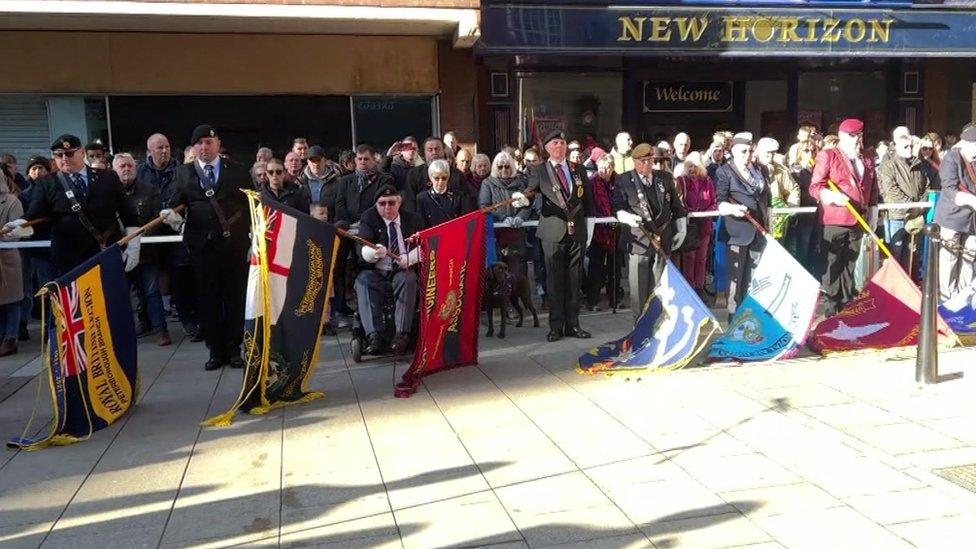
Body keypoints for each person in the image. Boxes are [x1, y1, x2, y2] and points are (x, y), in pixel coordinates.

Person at [160, 125, 250, 371]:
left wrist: (253, 240)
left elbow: (251, 206)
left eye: (209, 142)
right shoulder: (184, 173)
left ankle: (234, 349)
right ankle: (215, 350)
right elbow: (175, 202)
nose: (204, 147)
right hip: (202, 248)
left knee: (234, 298)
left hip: (234, 246)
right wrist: (169, 213)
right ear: (193, 147)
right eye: (199, 143)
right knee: (208, 300)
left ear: (218, 144)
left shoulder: (238, 171)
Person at [5, 134, 140, 276]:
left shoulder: (108, 177)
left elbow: (128, 213)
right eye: (59, 155)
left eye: (69, 154)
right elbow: (34, 213)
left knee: (110, 297)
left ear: (81, 153)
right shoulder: (47, 183)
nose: (64, 158)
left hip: (105, 253)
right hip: (69, 260)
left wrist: (133, 246)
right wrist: (19, 224)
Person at [514, 130, 594, 342]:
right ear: (548, 148)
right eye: (555, 143)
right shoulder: (540, 170)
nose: (560, 146)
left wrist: (591, 227)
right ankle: (556, 327)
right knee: (555, 281)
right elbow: (531, 193)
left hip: (576, 231)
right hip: (552, 231)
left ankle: (573, 325)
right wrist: (522, 200)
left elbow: (588, 200)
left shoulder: (578, 169)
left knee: (574, 280)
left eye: (563, 142)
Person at [810, 118, 879, 317]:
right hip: (834, 220)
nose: (856, 140)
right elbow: (816, 186)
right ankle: (832, 310)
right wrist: (830, 196)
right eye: (852, 136)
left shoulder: (867, 158)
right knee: (831, 266)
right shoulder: (829, 155)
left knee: (850, 264)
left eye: (859, 136)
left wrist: (873, 210)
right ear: (841, 136)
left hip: (858, 219)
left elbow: (872, 187)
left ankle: (847, 307)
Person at [614, 144, 687, 314]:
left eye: (650, 160)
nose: (647, 164)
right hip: (639, 239)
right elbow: (617, 206)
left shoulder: (665, 178)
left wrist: (681, 229)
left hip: (662, 238)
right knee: (639, 289)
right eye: (643, 161)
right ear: (634, 161)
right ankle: (640, 325)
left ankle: (658, 321)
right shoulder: (624, 180)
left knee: (661, 286)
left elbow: (677, 207)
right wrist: (624, 216)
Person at [354, 185, 423, 354]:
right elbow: (361, 246)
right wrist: (373, 252)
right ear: (376, 204)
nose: (387, 207)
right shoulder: (369, 217)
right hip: (376, 270)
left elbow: (426, 244)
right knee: (364, 281)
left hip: (402, 269)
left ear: (399, 202)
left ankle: (402, 335)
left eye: (391, 203)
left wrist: (410, 258)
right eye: (382, 203)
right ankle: (374, 335)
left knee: (408, 279)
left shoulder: (413, 219)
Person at [114, 153, 171, 346]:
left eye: (130, 165)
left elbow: (157, 219)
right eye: (122, 166)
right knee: (123, 293)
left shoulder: (149, 190)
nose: (126, 169)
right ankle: (130, 329)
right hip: (119, 252)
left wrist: (140, 238)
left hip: (146, 252)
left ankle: (160, 330)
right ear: (115, 170)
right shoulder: (109, 193)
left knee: (151, 291)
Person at [715, 133, 772, 321]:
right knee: (736, 280)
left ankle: (752, 318)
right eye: (743, 151)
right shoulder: (724, 172)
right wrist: (733, 208)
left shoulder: (760, 169)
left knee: (755, 278)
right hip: (737, 232)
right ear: (732, 151)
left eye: (749, 151)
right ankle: (734, 320)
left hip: (759, 230)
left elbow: (766, 200)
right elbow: (720, 202)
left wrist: (768, 225)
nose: (747, 155)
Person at [934, 123, 976, 299]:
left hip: (972, 220)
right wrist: (972, 200)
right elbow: (950, 189)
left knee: (970, 258)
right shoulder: (952, 158)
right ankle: (947, 298)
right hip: (952, 217)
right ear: (967, 143)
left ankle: (964, 297)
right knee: (950, 260)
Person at [878, 134, 929, 275]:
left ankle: (909, 285)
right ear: (896, 147)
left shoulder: (918, 164)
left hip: (915, 215)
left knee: (912, 253)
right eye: (906, 146)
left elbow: (926, 187)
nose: (910, 149)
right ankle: (894, 288)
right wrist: (911, 205)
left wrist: (920, 206)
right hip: (897, 215)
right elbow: (891, 189)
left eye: (911, 146)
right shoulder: (889, 164)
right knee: (896, 252)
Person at [16, 156, 54, 341]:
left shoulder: (52, 190)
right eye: (33, 168)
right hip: (26, 246)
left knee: (45, 287)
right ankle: (22, 324)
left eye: (41, 168)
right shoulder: (23, 196)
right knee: (24, 289)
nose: (37, 172)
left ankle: (49, 325)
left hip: (45, 248)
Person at [480, 152, 531, 276]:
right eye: (500, 167)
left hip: (516, 234)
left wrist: (521, 217)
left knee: (517, 274)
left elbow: (528, 204)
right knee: (498, 274)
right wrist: (503, 219)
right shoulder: (488, 183)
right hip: (497, 235)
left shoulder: (521, 183)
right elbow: (485, 207)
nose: (504, 170)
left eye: (507, 166)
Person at [585, 149, 623, 310]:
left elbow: (620, 200)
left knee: (615, 269)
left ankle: (614, 299)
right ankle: (592, 301)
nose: (605, 170)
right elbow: (596, 204)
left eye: (608, 167)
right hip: (598, 232)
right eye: (602, 167)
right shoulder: (593, 182)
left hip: (616, 231)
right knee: (596, 268)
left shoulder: (619, 181)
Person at [0, 170, 31, 357]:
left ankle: (10, 337)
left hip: (7, 258)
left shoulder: (12, 202)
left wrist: (6, 233)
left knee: (11, 300)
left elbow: (21, 231)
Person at [675, 152, 715, 298]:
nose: (692, 169)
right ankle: (688, 288)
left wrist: (706, 212)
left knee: (702, 257)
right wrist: (691, 212)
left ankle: (700, 287)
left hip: (704, 224)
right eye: (689, 166)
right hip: (689, 224)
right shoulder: (681, 181)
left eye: (695, 166)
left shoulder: (708, 181)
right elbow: (679, 202)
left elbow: (713, 202)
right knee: (689, 257)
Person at [405, 137, 467, 212]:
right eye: (430, 150)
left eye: (437, 149)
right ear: (424, 152)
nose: (434, 153)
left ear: (443, 151)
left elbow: (465, 201)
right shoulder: (414, 174)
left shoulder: (457, 174)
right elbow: (410, 203)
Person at [755, 138, 798, 243]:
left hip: (778, 218)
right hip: (757, 216)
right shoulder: (751, 167)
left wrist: (792, 207)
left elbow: (793, 188)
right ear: (759, 151)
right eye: (768, 153)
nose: (771, 156)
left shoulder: (781, 170)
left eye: (773, 153)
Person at [416, 159, 471, 228]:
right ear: (430, 178)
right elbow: (422, 225)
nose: (440, 181)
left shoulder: (459, 197)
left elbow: (465, 222)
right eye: (436, 178)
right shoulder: (422, 198)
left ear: (448, 177)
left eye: (444, 178)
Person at [299, 145, 341, 213]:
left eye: (318, 160)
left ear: (324, 160)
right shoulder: (300, 181)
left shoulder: (336, 181)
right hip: (306, 220)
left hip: (329, 221)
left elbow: (340, 206)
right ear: (308, 162)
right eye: (312, 160)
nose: (316, 164)